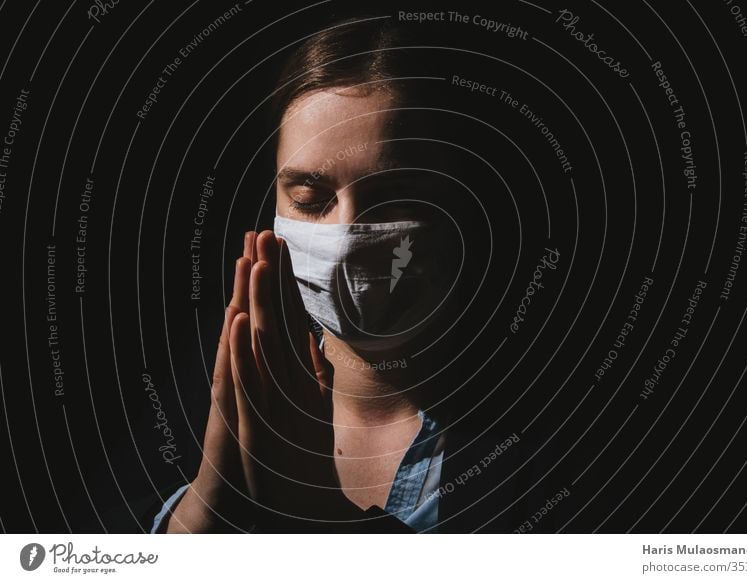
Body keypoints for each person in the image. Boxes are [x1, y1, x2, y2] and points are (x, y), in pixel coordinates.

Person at [148, 15, 529, 534]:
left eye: (392, 196)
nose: (347, 234)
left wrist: (320, 520)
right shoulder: (199, 405)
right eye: (310, 198)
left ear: (463, 206)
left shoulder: (537, 447)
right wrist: (208, 511)